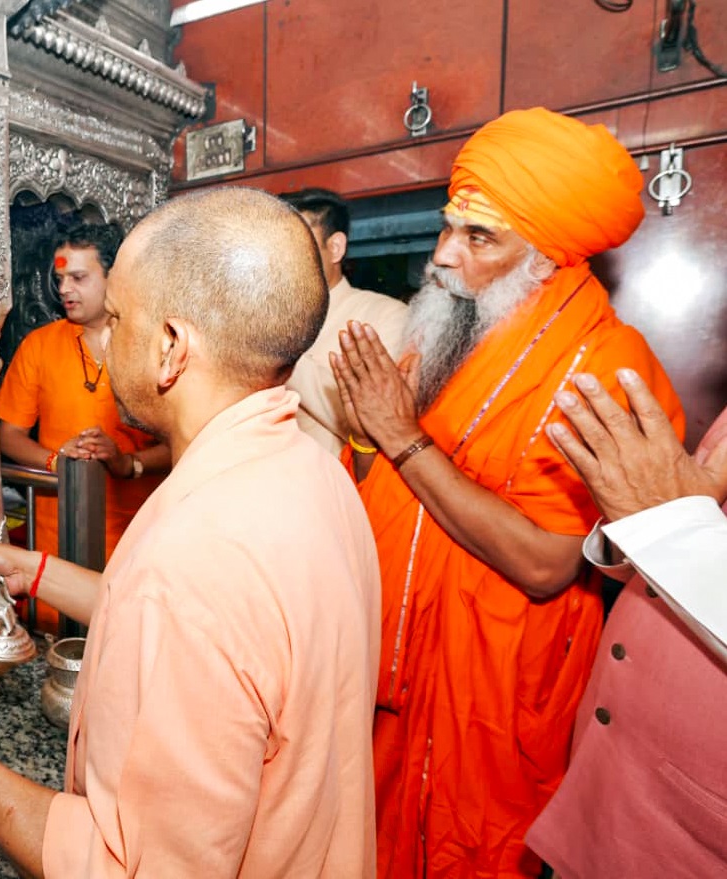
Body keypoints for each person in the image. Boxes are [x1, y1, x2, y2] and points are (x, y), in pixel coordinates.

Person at [0, 187, 381, 877]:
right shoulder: (318, 476)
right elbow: (216, 639)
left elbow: (125, 865)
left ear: (171, 347)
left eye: (119, 318)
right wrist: (37, 572)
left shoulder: (193, 557)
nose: (105, 340)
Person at [329, 107, 686, 878]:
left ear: (547, 255)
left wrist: (400, 436)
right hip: (391, 669)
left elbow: (545, 563)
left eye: (479, 236)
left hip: (489, 696)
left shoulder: (603, 367)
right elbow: (396, 489)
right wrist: (365, 438)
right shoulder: (450, 325)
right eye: (448, 225)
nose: (442, 254)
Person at [525, 370, 727, 878]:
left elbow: (681, 529)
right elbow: (687, 524)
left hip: (691, 824)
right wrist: (639, 518)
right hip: (611, 774)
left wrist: (667, 523)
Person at [0, 224, 169, 627]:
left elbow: (185, 444)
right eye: (59, 279)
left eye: (78, 277)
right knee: (61, 647)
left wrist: (127, 463)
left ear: (115, 277)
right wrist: (58, 461)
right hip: (58, 534)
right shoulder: (40, 345)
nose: (64, 289)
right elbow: (10, 436)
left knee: (130, 636)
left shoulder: (154, 345)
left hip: (138, 533)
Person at [286, 189, 409, 456]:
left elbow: (374, 425)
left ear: (335, 248)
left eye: (294, 245)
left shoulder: (386, 315)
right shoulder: (264, 316)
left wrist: (281, 349)